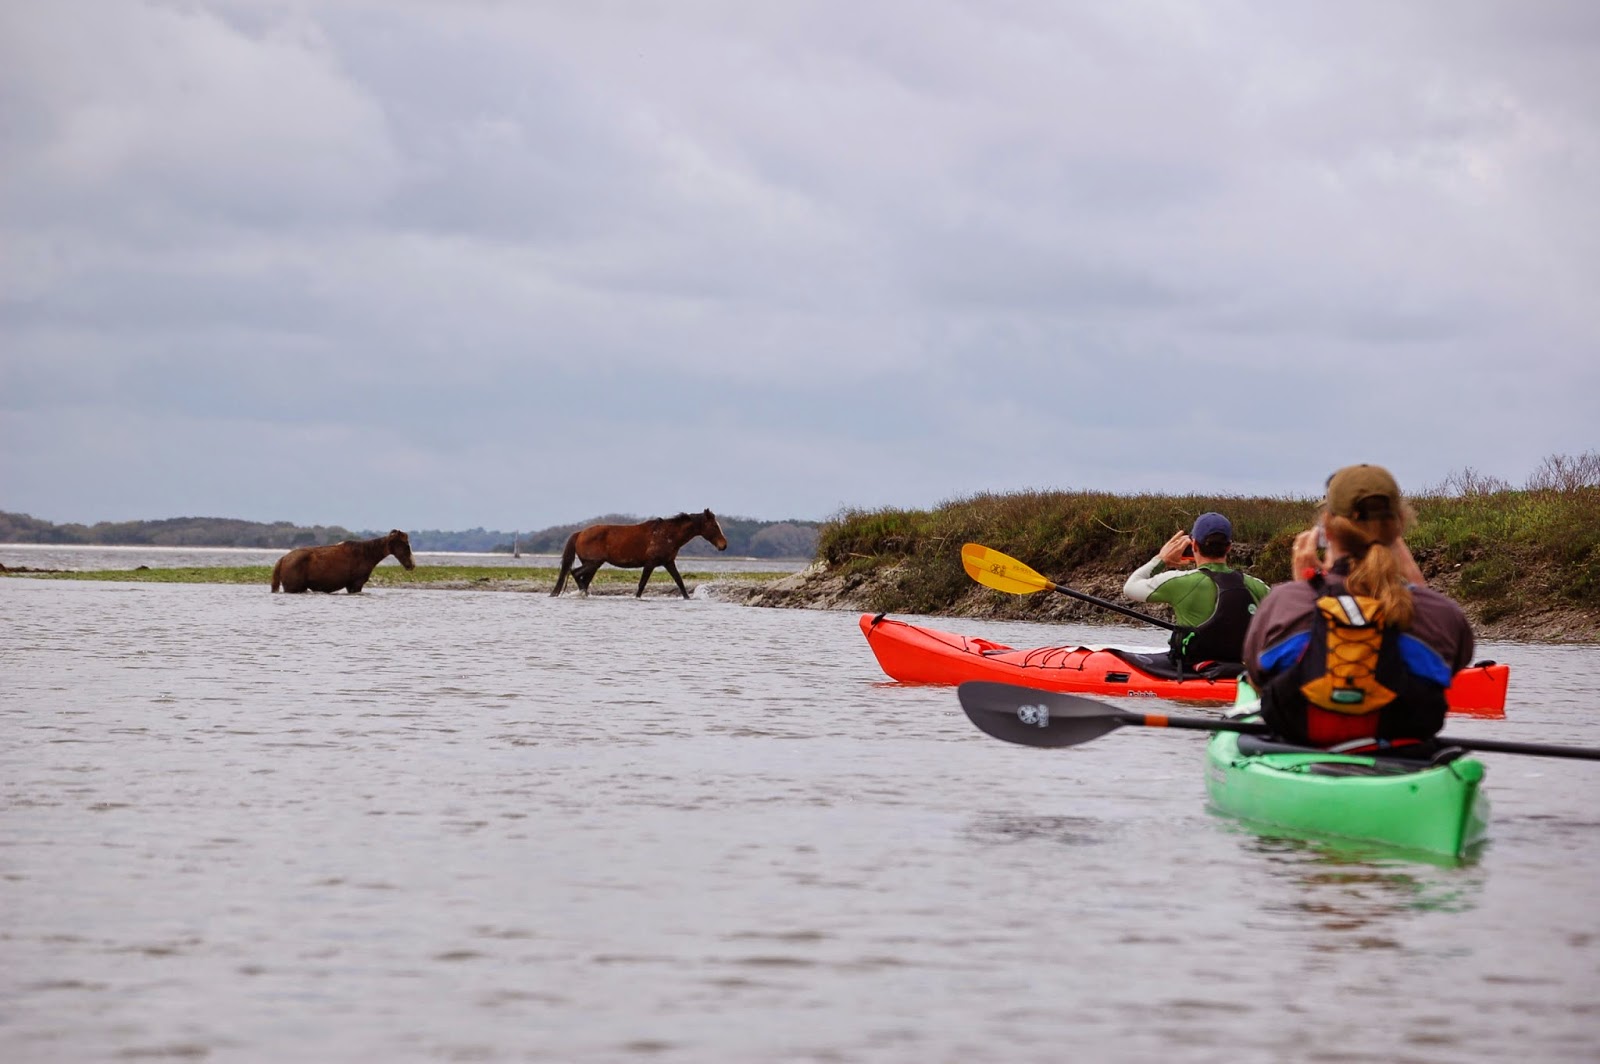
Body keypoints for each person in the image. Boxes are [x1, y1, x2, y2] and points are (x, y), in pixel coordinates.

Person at [1243, 464, 1474, 748]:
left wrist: (1304, 587)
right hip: (1403, 756)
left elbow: (1257, 682)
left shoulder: (1284, 601)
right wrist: (1416, 584)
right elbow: (1449, 665)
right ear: (1400, 523)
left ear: (1327, 527)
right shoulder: (1442, 613)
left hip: (1300, 744)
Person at [1124, 511, 1270, 669]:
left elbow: (1130, 587)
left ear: (1193, 545)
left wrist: (1161, 559)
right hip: (1240, 670)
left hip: (1191, 671)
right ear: (1229, 547)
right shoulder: (1257, 586)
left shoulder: (1179, 581)